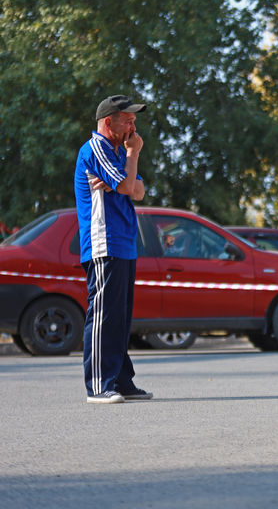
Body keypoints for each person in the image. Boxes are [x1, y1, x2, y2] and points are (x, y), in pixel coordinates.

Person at [74, 95, 153, 404]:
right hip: (103, 241)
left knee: (120, 316)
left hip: (123, 243)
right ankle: (98, 385)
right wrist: (133, 157)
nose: (134, 125)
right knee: (103, 315)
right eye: (128, 120)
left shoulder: (118, 152)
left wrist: (127, 173)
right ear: (108, 122)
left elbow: (139, 191)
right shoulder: (96, 148)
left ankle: (121, 381)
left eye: (134, 120)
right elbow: (125, 187)